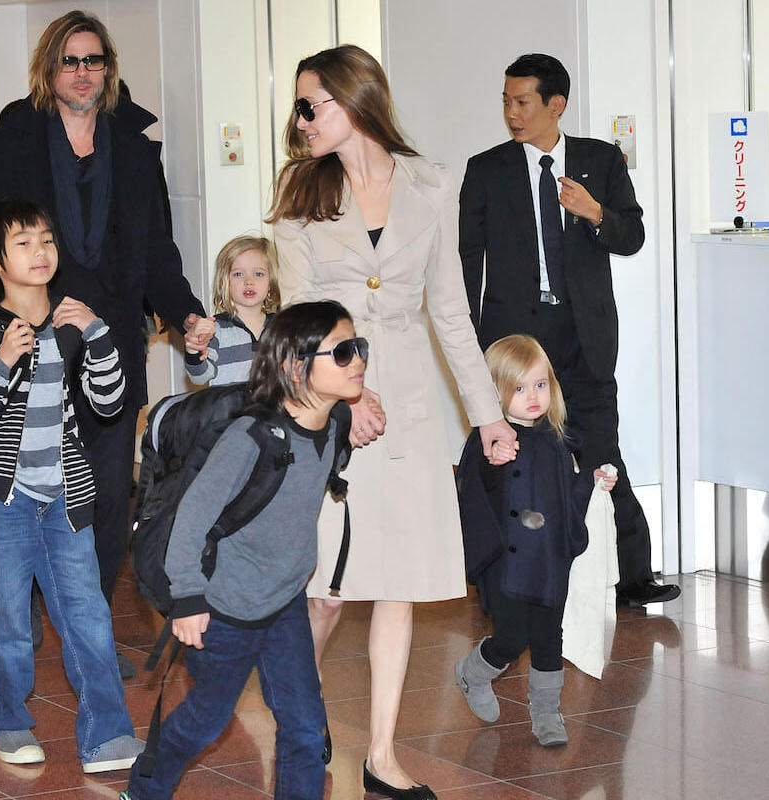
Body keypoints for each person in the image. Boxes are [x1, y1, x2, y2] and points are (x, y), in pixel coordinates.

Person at [0, 11, 212, 676]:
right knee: (27, 496)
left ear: (109, 69)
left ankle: (89, 634)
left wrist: (185, 314)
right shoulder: (12, 141)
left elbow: (158, 249)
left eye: (94, 60)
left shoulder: (133, 150)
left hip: (108, 348)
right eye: (71, 61)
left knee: (104, 498)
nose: (83, 73)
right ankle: (35, 611)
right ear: (50, 71)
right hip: (28, 348)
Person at [267, 45, 517, 799]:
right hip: (327, 405)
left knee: (398, 584)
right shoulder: (299, 196)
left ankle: (381, 756)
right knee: (326, 588)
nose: (301, 120)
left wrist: (487, 417)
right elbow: (300, 319)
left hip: (407, 406)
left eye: (313, 104)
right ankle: (301, 733)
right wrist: (349, 393)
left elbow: (449, 310)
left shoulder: (431, 185)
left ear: (355, 101)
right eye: (300, 107)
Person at [458, 53, 679, 608]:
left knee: (602, 448)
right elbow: (466, 258)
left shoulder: (600, 160)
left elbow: (631, 236)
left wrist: (595, 212)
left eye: (522, 101)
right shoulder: (486, 169)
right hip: (515, 341)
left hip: (583, 332)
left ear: (556, 105)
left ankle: (633, 576)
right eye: (506, 100)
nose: (511, 112)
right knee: (508, 456)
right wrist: (471, 337)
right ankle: (499, 577)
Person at [122, 300, 364, 800]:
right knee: (205, 723)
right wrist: (187, 598)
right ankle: (145, 789)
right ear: (298, 367)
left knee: (303, 726)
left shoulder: (334, 425)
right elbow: (192, 517)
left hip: (284, 605)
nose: (357, 360)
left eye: (358, 348)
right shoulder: (249, 438)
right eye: (342, 352)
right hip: (222, 611)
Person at [0, 199, 142, 773]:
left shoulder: (71, 322)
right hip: (1, 502)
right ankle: (8, 722)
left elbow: (109, 404)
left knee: (87, 614)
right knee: (9, 619)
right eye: (23, 243)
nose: (40, 251)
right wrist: (3, 363)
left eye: (46, 240)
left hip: (65, 495)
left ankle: (107, 735)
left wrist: (98, 333)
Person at [454, 334, 618, 746]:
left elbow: (565, 498)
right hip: (507, 564)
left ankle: (547, 712)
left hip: (548, 560)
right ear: (494, 393)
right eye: (519, 388)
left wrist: (592, 485)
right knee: (512, 637)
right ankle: (474, 672)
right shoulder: (489, 442)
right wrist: (493, 461)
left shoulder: (557, 441)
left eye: (540, 385)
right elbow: (476, 488)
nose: (532, 396)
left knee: (548, 637)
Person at [184, 235, 278, 387]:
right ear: (224, 283)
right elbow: (200, 378)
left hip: (272, 410)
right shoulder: (216, 329)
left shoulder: (281, 327)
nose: (249, 281)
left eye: (258, 274)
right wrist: (194, 351)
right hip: (231, 410)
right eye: (238, 274)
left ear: (271, 283)